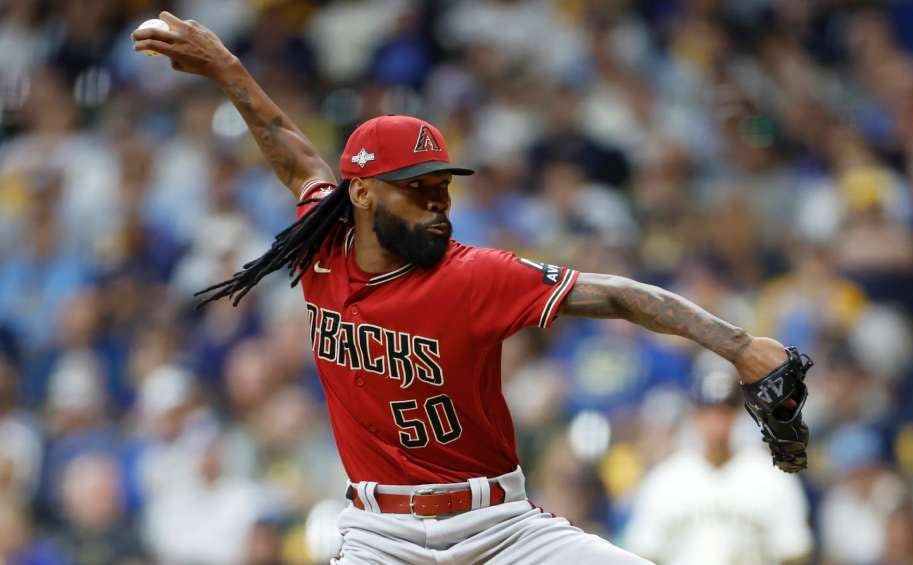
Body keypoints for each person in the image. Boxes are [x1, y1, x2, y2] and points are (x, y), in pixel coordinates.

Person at [132, 12, 811, 564]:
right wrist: (226, 68)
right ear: (361, 193)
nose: (438, 204)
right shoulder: (321, 239)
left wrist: (739, 343)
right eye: (418, 189)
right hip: (380, 536)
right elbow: (288, 146)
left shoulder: (471, 273)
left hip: (500, 528)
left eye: (442, 188)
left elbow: (618, 294)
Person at [623, 362, 812, 565]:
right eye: (709, 413)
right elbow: (643, 553)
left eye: (724, 413)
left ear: (739, 416)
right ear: (695, 416)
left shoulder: (771, 476)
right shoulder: (664, 480)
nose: (717, 423)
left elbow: (794, 552)